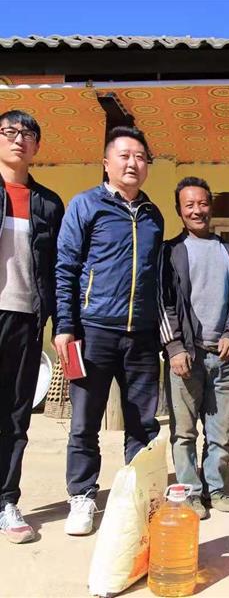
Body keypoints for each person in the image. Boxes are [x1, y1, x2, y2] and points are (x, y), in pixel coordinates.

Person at [55, 126, 164, 535]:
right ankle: (82, 497)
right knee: (85, 421)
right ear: (106, 163)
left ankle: (137, 498)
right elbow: (65, 268)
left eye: (140, 156)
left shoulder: (153, 215)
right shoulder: (86, 205)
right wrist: (66, 325)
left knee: (143, 424)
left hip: (142, 336)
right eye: (124, 155)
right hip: (94, 331)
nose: (133, 163)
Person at [159, 176, 229, 519]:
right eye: (189, 204)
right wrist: (174, 347)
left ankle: (216, 489)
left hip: (221, 355)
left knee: (221, 430)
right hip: (186, 356)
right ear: (179, 210)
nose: (197, 210)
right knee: (184, 431)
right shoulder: (170, 252)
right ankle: (190, 492)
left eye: (203, 203)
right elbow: (163, 303)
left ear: (211, 206)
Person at [0, 110, 64, 543]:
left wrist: (61, 324)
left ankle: (6, 500)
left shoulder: (48, 203)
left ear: (37, 146)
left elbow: (58, 270)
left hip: (25, 318)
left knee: (15, 415)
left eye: (27, 134)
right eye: (9, 131)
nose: (18, 139)